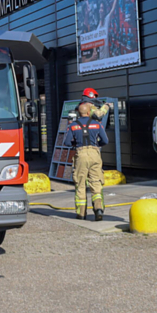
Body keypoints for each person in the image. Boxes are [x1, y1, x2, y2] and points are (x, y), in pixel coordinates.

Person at [67, 88, 111, 221]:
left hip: (80, 154)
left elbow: (68, 142)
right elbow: (105, 140)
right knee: (96, 183)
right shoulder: (97, 123)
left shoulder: (73, 125)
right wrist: (96, 145)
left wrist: (76, 144)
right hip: (94, 153)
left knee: (80, 183)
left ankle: (81, 213)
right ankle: (98, 210)